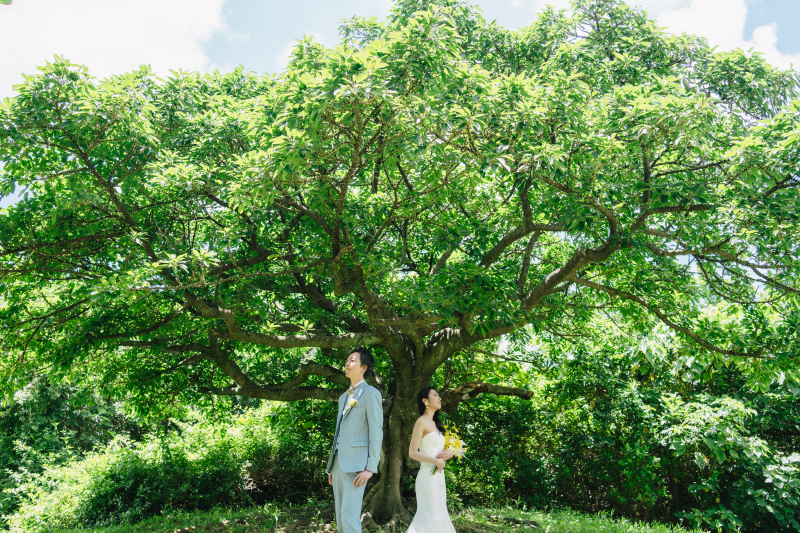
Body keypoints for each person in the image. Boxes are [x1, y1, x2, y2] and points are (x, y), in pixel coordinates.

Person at [326, 347, 383, 533]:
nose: (347, 364)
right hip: (338, 465)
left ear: (363, 367)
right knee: (341, 520)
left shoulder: (371, 394)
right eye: (347, 360)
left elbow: (376, 432)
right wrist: (332, 466)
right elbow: (339, 433)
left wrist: (370, 468)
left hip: (358, 467)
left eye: (352, 360)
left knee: (350, 519)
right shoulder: (344, 397)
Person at [407, 386, 456, 533]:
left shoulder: (436, 424)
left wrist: (449, 454)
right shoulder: (421, 422)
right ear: (425, 401)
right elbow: (412, 452)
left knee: (440, 514)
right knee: (430, 516)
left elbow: (438, 452)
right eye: (435, 395)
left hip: (439, 478)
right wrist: (435, 461)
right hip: (427, 478)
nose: (439, 398)